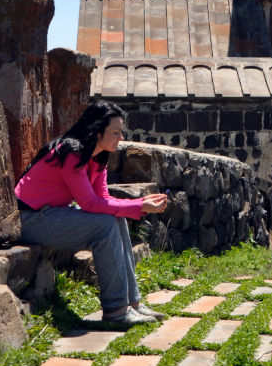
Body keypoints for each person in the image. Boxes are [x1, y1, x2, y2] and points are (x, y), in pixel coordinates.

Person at [15, 101, 168, 326]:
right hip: (31, 219)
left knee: (116, 219)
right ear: (97, 131)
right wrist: (138, 206)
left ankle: (132, 303)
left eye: (121, 132)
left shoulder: (98, 157)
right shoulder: (71, 152)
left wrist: (138, 203)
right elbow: (88, 203)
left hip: (53, 214)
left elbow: (103, 200)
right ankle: (116, 310)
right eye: (115, 132)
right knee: (105, 226)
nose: (121, 138)